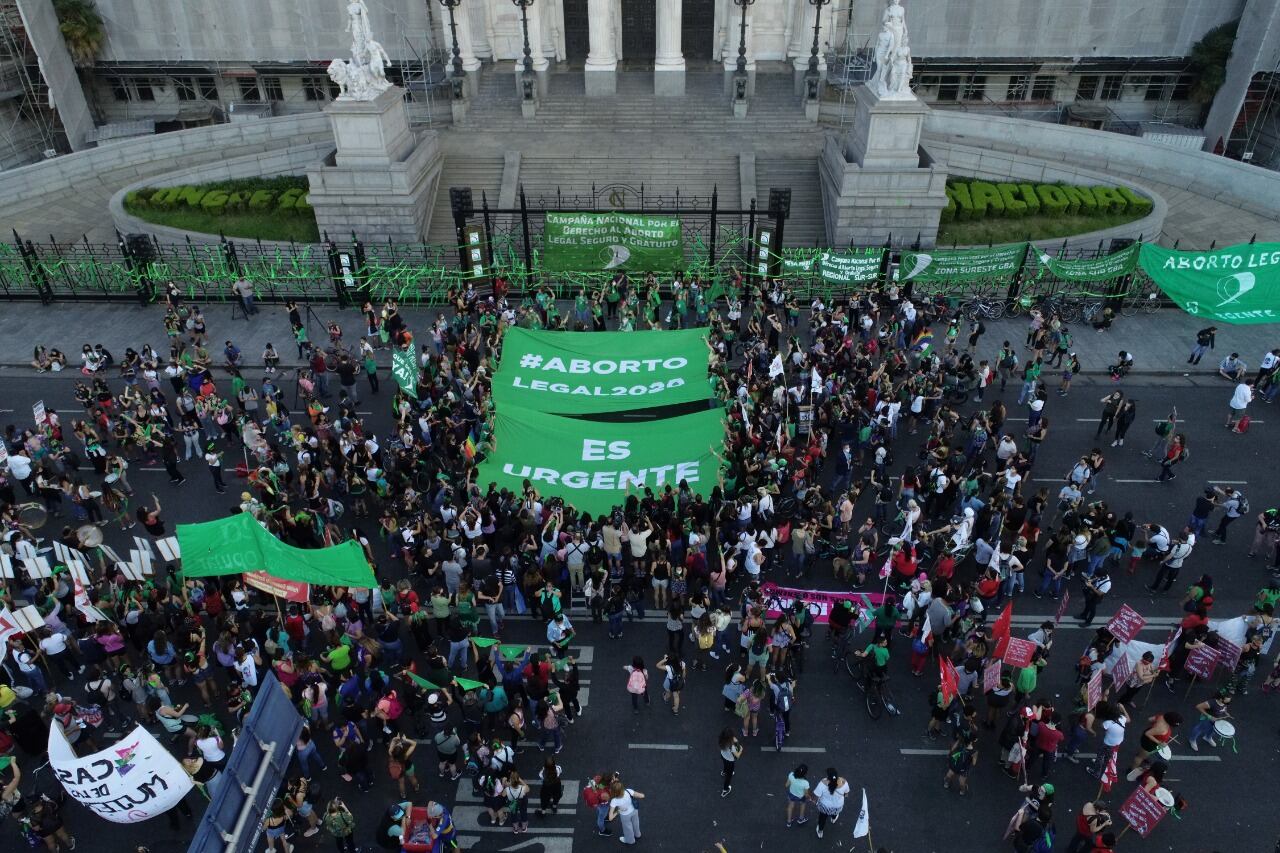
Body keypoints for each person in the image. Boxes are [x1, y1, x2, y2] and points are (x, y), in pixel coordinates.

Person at [811, 767, 850, 838]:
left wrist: (814, 801)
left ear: (828, 776)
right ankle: (833, 819)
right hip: (837, 805)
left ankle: (820, 831)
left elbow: (817, 795)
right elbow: (846, 794)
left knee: (822, 818)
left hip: (825, 806)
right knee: (835, 813)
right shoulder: (844, 782)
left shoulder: (822, 783)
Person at [719, 727, 743, 797]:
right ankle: (725, 790)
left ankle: (724, 772)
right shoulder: (731, 746)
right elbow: (737, 756)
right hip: (730, 761)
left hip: (723, 756)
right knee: (728, 776)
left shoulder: (721, 740)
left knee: (725, 765)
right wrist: (741, 749)